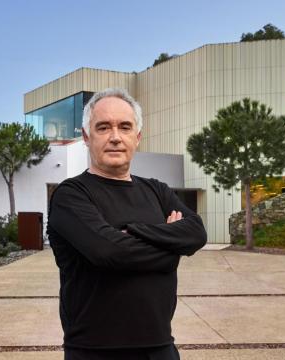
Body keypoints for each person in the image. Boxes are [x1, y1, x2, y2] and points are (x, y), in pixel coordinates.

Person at [48, 88, 207, 360]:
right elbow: (110, 252)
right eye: (103, 127)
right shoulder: (71, 195)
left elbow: (196, 233)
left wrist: (132, 231)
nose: (115, 137)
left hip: (160, 348)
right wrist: (170, 246)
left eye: (124, 127)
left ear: (138, 137)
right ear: (87, 136)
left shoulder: (157, 190)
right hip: (94, 351)